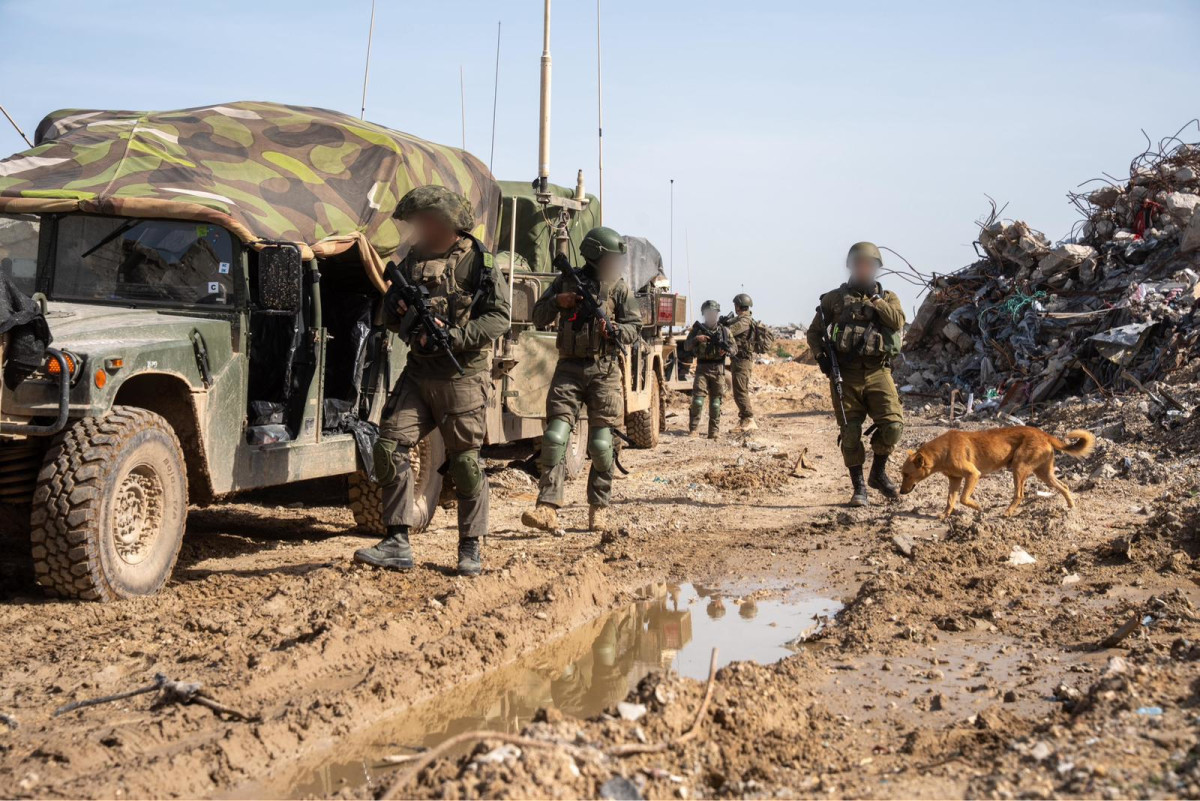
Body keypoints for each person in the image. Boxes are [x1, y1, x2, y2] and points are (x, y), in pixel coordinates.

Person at [353, 186, 510, 576]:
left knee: (465, 465)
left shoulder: (478, 263)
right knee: (388, 448)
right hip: (419, 372)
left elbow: (499, 317)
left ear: (446, 223)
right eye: (418, 222)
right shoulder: (414, 259)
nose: (420, 228)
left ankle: (470, 547)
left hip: (461, 375)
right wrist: (400, 312)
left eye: (427, 221)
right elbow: (389, 314)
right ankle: (397, 541)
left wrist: (456, 336)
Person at [521, 226, 642, 534]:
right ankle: (547, 508)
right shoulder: (567, 280)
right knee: (555, 437)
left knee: (602, 445)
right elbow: (537, 315)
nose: (615, 263)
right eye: (612, 257)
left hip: (605, 371)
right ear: (596, 254)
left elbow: (634, 327)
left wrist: (614, 331)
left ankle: (598, 509)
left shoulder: (619, 288)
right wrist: (558, 302)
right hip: (569, 369)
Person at [807, 241, 905, 507]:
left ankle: (878, 473)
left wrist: (876, 301)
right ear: (851, 266)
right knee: (850, 434)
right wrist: (821, 357)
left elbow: (897, 321)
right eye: (859, 264)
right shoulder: (834, 299)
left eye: (869, 265)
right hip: (845, 375)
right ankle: (859, 487)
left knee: (894, 426)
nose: (864, 269)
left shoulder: (887, 298)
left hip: (877, 371)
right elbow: (814, 333)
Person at [684, 300, 736, 439]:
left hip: (718, 368)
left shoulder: (724, 331)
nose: (711, 315)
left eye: (713, 313)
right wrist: (696, 339)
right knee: (698, 401)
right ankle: (693, 429)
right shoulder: (697, 330)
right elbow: (686, 346)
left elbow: (734, 349)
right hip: (702, 368)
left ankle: (713, 432)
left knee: (715, 403)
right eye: (708, 313)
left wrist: (726, 351)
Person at [724, 292, 759, 432]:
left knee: (740, 391)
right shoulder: (741, 319)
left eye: (735, 305)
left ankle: (749, 419)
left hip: (743, 360)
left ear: (738, 306)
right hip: (739, 360)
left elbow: (729, 332)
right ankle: (744, 420)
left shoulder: (744, 321)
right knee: (739, 391)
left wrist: (722, 327)